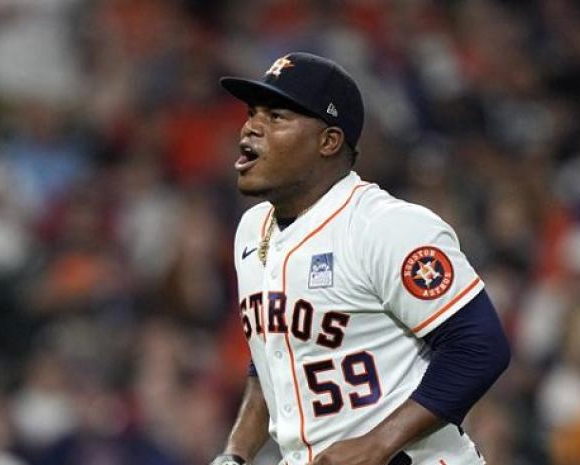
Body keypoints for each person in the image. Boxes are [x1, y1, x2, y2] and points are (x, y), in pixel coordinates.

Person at [211, 52, 511, 465]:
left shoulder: (386, 227)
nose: (250, 127)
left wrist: (378, 443)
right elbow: (273, 355)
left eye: (276, 116)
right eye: (252, 113)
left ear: (329, 141)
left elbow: (479, 345)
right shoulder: (252, 230)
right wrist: (237, 452)